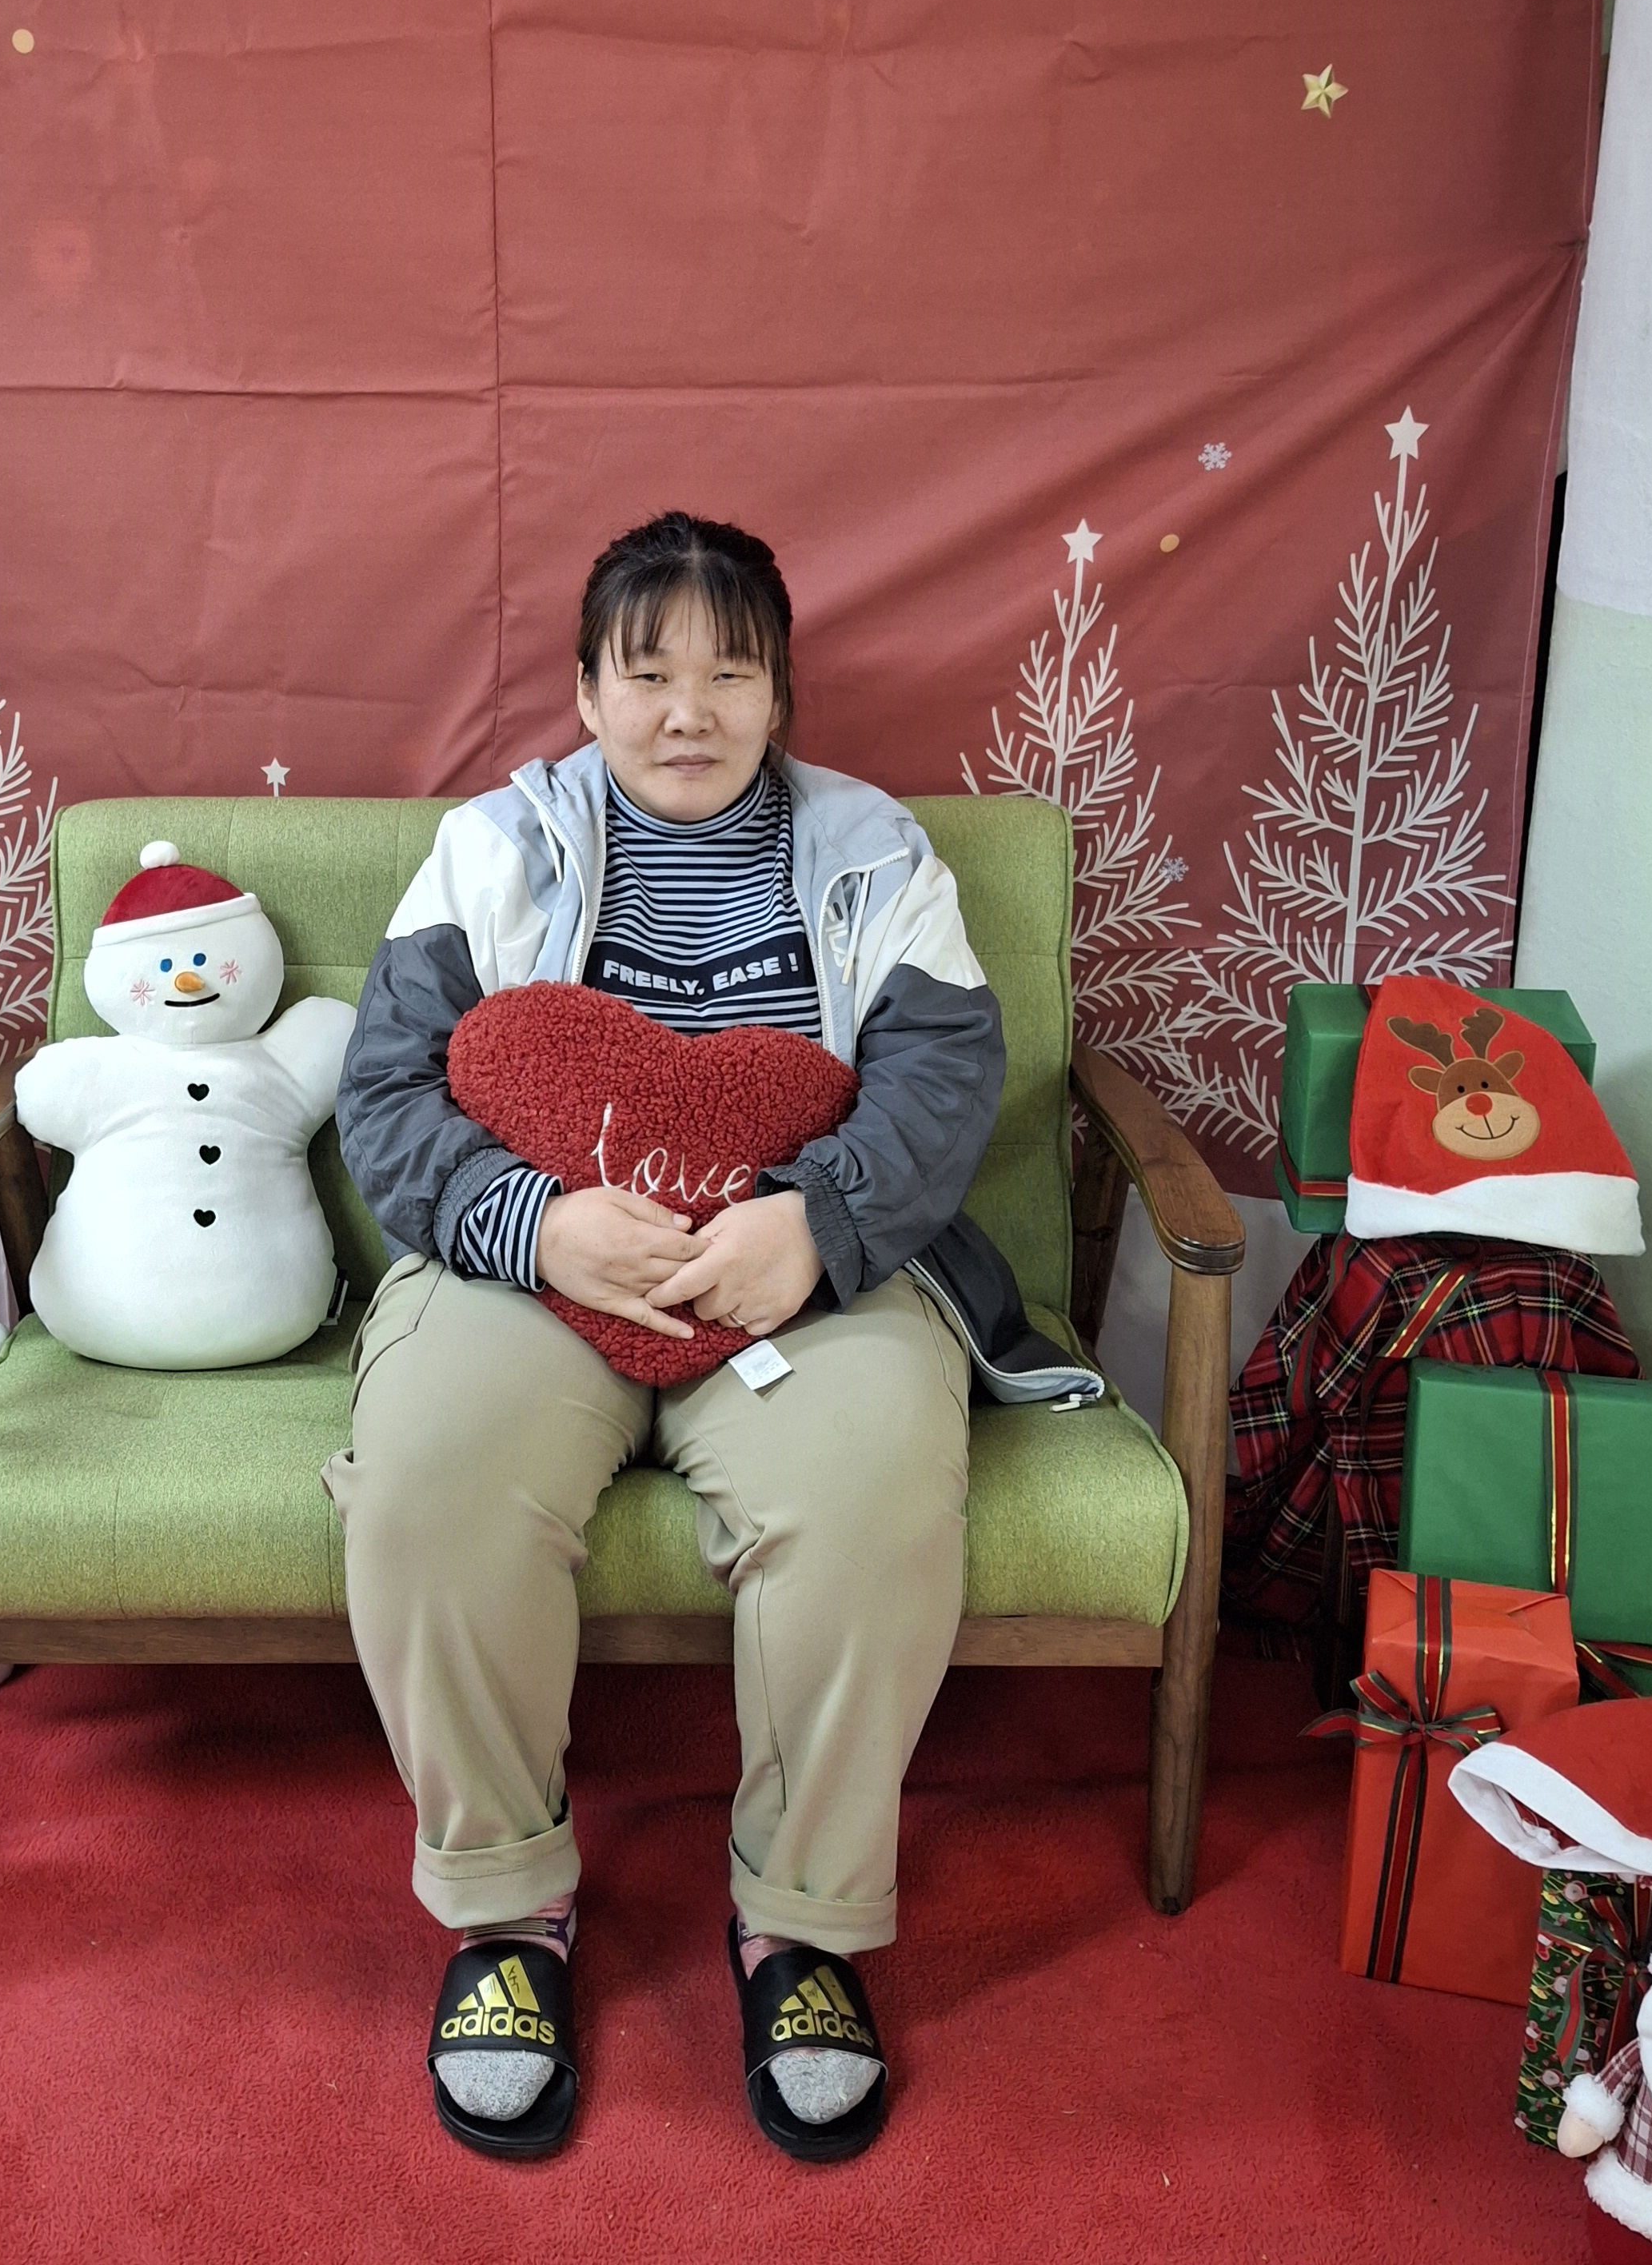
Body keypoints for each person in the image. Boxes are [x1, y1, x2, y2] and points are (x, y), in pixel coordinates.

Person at [329, 511, 1089, 2162]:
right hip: (534, 1264)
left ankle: (801, 1924)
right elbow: (383, 1091)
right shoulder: (493, 849)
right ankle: (507, 1912)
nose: (690, 712)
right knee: (431, 1474)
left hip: (804, 1271)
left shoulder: (875, 853)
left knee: (869, 1487)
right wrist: (534, 1223)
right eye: (648, 673)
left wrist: (813, 1224)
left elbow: (942, 1082)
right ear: (586, 692)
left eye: (731, 673)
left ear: (780, 692)